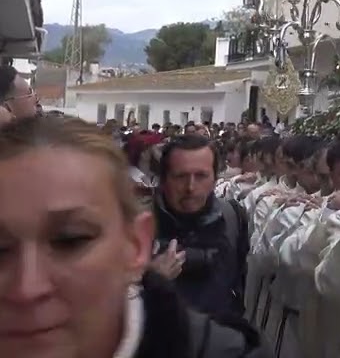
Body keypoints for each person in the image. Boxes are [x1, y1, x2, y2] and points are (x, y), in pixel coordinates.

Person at [0, 113, 266, 357]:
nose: (28, 287)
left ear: (135, 244)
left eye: (70, 241)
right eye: (1, 249)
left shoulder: (233, 218)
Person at [150, 134, 252, 325]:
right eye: (180, 177)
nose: (191, 187)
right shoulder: (137, 225)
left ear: (215, 178)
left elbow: (237, 287)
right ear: (163, 180)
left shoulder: (232, 218)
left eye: (201, 176)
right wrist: (148, 282)